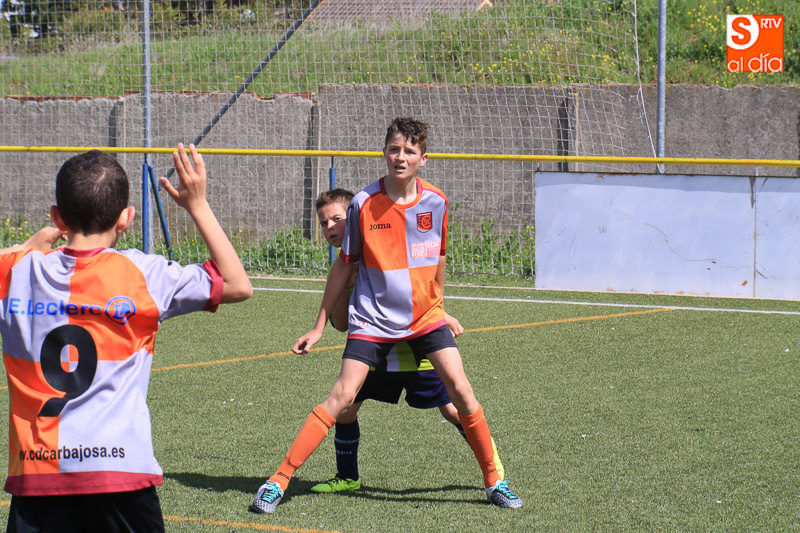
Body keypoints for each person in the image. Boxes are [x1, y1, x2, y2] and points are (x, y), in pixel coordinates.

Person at [251, 118, 522, 514]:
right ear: (384, 152)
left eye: (410, 151)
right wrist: (319, 325)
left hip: (424, 319)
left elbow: (438, 259)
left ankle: (495, 481)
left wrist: (440, 308)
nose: (401, 157)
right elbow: (344, 264)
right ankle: (277, 482)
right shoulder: (363, 203)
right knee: (342, 397)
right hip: (372, 321)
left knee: (461, 392)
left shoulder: (437, 202)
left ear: (423, 159)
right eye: (395, 149)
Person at [1, 144, 252, 532]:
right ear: (126, 218)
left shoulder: (16, 272)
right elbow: (237, 284)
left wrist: (33, 242)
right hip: (119, 470)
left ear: (57, 216)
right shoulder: (143, 274)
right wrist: (198, 205)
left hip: (38, 474)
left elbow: (16, 256)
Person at [309, 188, 504, 494]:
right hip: (374, 350)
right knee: (346, 409)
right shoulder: (343, 268)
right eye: (323, 223)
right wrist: (346, 288)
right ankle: (347, 476)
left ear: (357, 217)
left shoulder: (384, 250)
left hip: (414, 348)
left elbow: (417, 286)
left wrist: (441, 314)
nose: (330, 227)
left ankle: (492, 466)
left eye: (337, 219)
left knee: (453, 410)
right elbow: (343, 324)